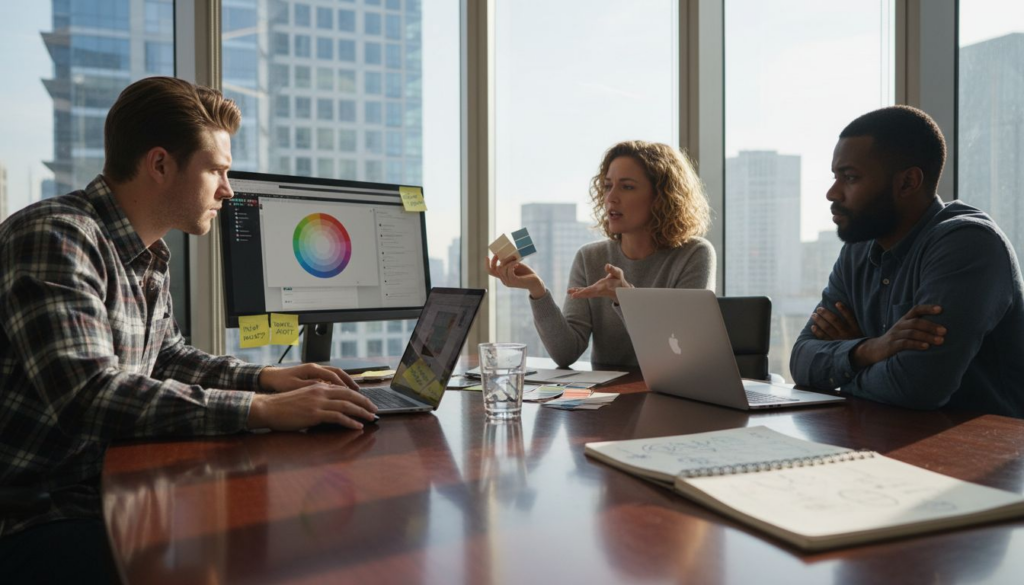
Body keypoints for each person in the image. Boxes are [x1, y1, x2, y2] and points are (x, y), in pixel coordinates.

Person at [0, 77, 377, 580]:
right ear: (160, 164)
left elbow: (167, 356)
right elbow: (87, 396)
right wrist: (260, 409)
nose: (228, 189)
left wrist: (265, 380)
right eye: (217, 170)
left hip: (104, 490)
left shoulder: (148, 252)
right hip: (38, 513)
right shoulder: (56, 235)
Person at [790, 105, 1024, 418]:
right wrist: (869, 349)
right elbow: (801, 359)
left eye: (850, 177)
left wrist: (842, 368)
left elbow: (915, 387)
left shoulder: (967, 244)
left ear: (908, 182)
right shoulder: (858, 249)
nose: (832, 193)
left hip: (978, 456)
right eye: (835, 176)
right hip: (885, 440)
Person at [488, 140, 715, 368]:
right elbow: (566, 353)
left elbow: (680, 352)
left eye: (627, 187)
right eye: (607, 186)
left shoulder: (694, 255)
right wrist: (537, 291)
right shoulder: (589, 257)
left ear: (661, 197)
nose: (610, 198)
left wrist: (625, 298)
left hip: (671, 396)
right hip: (608, 399)